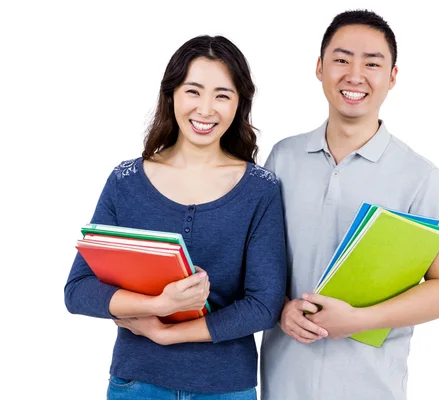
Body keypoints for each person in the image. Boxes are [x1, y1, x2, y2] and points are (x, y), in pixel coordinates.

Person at [64, 35, 286, 399]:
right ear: (172, 95)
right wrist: (158, 305)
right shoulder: (126, 181)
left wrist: (169, 331)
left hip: (226, 387)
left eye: (223, 95)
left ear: (239, 104)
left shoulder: (260, 190)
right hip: (137, 384)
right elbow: (78, 291)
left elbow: (263, 305)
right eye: (193, 91)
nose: (206, 109)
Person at [260, 10, 439, 400]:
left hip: (372, 388)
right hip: (283, 385)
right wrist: (281, 308)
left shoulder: (419, 176)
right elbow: (259, 262)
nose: (355, 75)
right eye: (341, 59)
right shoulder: (282, 158)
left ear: (392, 77)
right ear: (319, 68)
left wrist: (358, 320)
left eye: (372, 63)